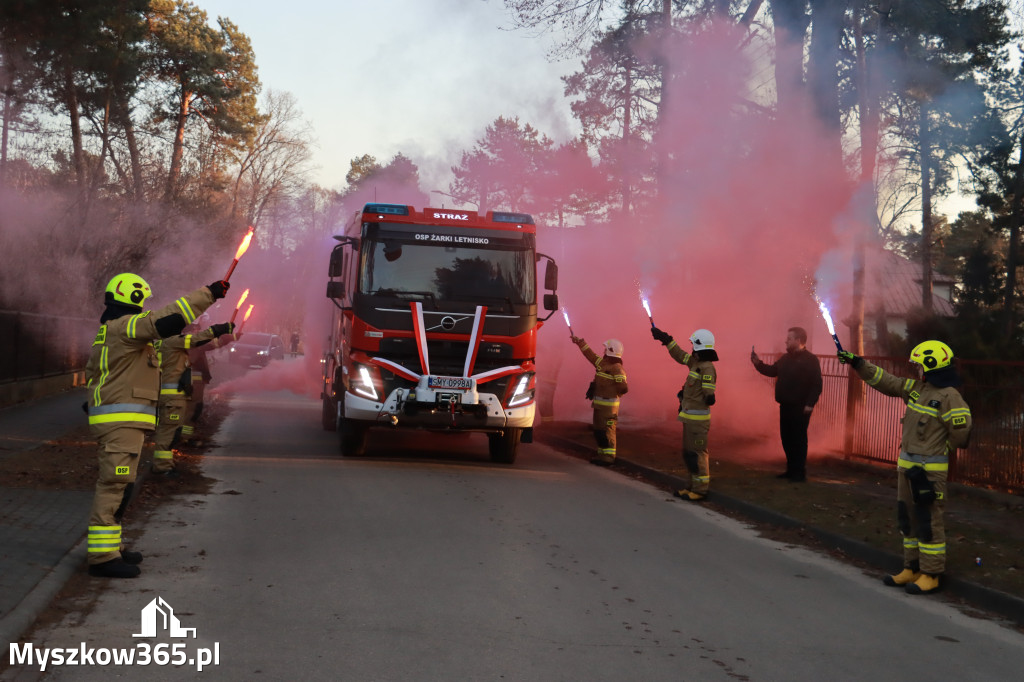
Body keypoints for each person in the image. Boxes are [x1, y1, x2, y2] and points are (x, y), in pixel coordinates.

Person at [84, 273, 228, 578]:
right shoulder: (125, 327)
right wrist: (209, 293)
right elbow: (166, 320)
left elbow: (95, 374)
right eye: (142, 301)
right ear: (131, 297)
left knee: (120, 485)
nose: (145, 307)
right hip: (120, 424)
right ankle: (102, 557)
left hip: (121, 423)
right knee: (114, 484)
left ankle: (112, 546)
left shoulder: (111, 331)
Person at [839, 340, 972, 595]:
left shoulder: (950, 397)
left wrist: (939, 449)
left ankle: (931, 574)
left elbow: (961, 433)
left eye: (919, 365)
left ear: (931, 366)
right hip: (908, 471)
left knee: (929, 520)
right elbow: (885, 380)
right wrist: (858, 363)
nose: (916, 370)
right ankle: (911, 568)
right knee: (908, 519)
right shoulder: (916, 389)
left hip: (929, 474)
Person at [151, 321, 235, 475]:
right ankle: (162, 466)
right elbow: (199, 341)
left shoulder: (165, 343)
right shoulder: (174, 342)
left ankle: (166, 462)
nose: (191, 333)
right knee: (169, 431)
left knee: (171, 430)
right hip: (172, 395)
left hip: (172, 393)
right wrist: (220, 333)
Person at [651, 326, 718, 501]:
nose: (690, 348)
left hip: (698, 421)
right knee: (689, 454)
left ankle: (700, 489)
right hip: (689, 418)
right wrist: (667, 340)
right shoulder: (695, 364)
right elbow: (680, 355)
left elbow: (709, 394)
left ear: (699, 346)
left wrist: (709, 396)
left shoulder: (707, 368)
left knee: (698, 453)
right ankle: (691, 486)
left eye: (693, 345)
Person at [750, 327, 823, 482]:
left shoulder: (810, 360)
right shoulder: (785, 358)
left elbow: (817, 384)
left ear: (798, 340)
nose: (786, 341)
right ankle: (790, 470)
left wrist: (810, 404)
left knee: (798, 439)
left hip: (801, 407)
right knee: (787, 438)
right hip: (785, 405)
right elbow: (772, 371)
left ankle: (799, 472)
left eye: (789, 338)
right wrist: (758, 363)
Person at [570, 335, 628, 465]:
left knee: (607, 431)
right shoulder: (603, 364)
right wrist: (580, 343)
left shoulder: (617, 368)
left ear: (610, 351)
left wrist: (613, 392)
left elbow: (623, 388)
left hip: (609, 407)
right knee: (599, 431)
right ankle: (602, 456)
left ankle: (608, 458)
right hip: (599, 405)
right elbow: (590, 355)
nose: (603, 352)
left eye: (605, 349)